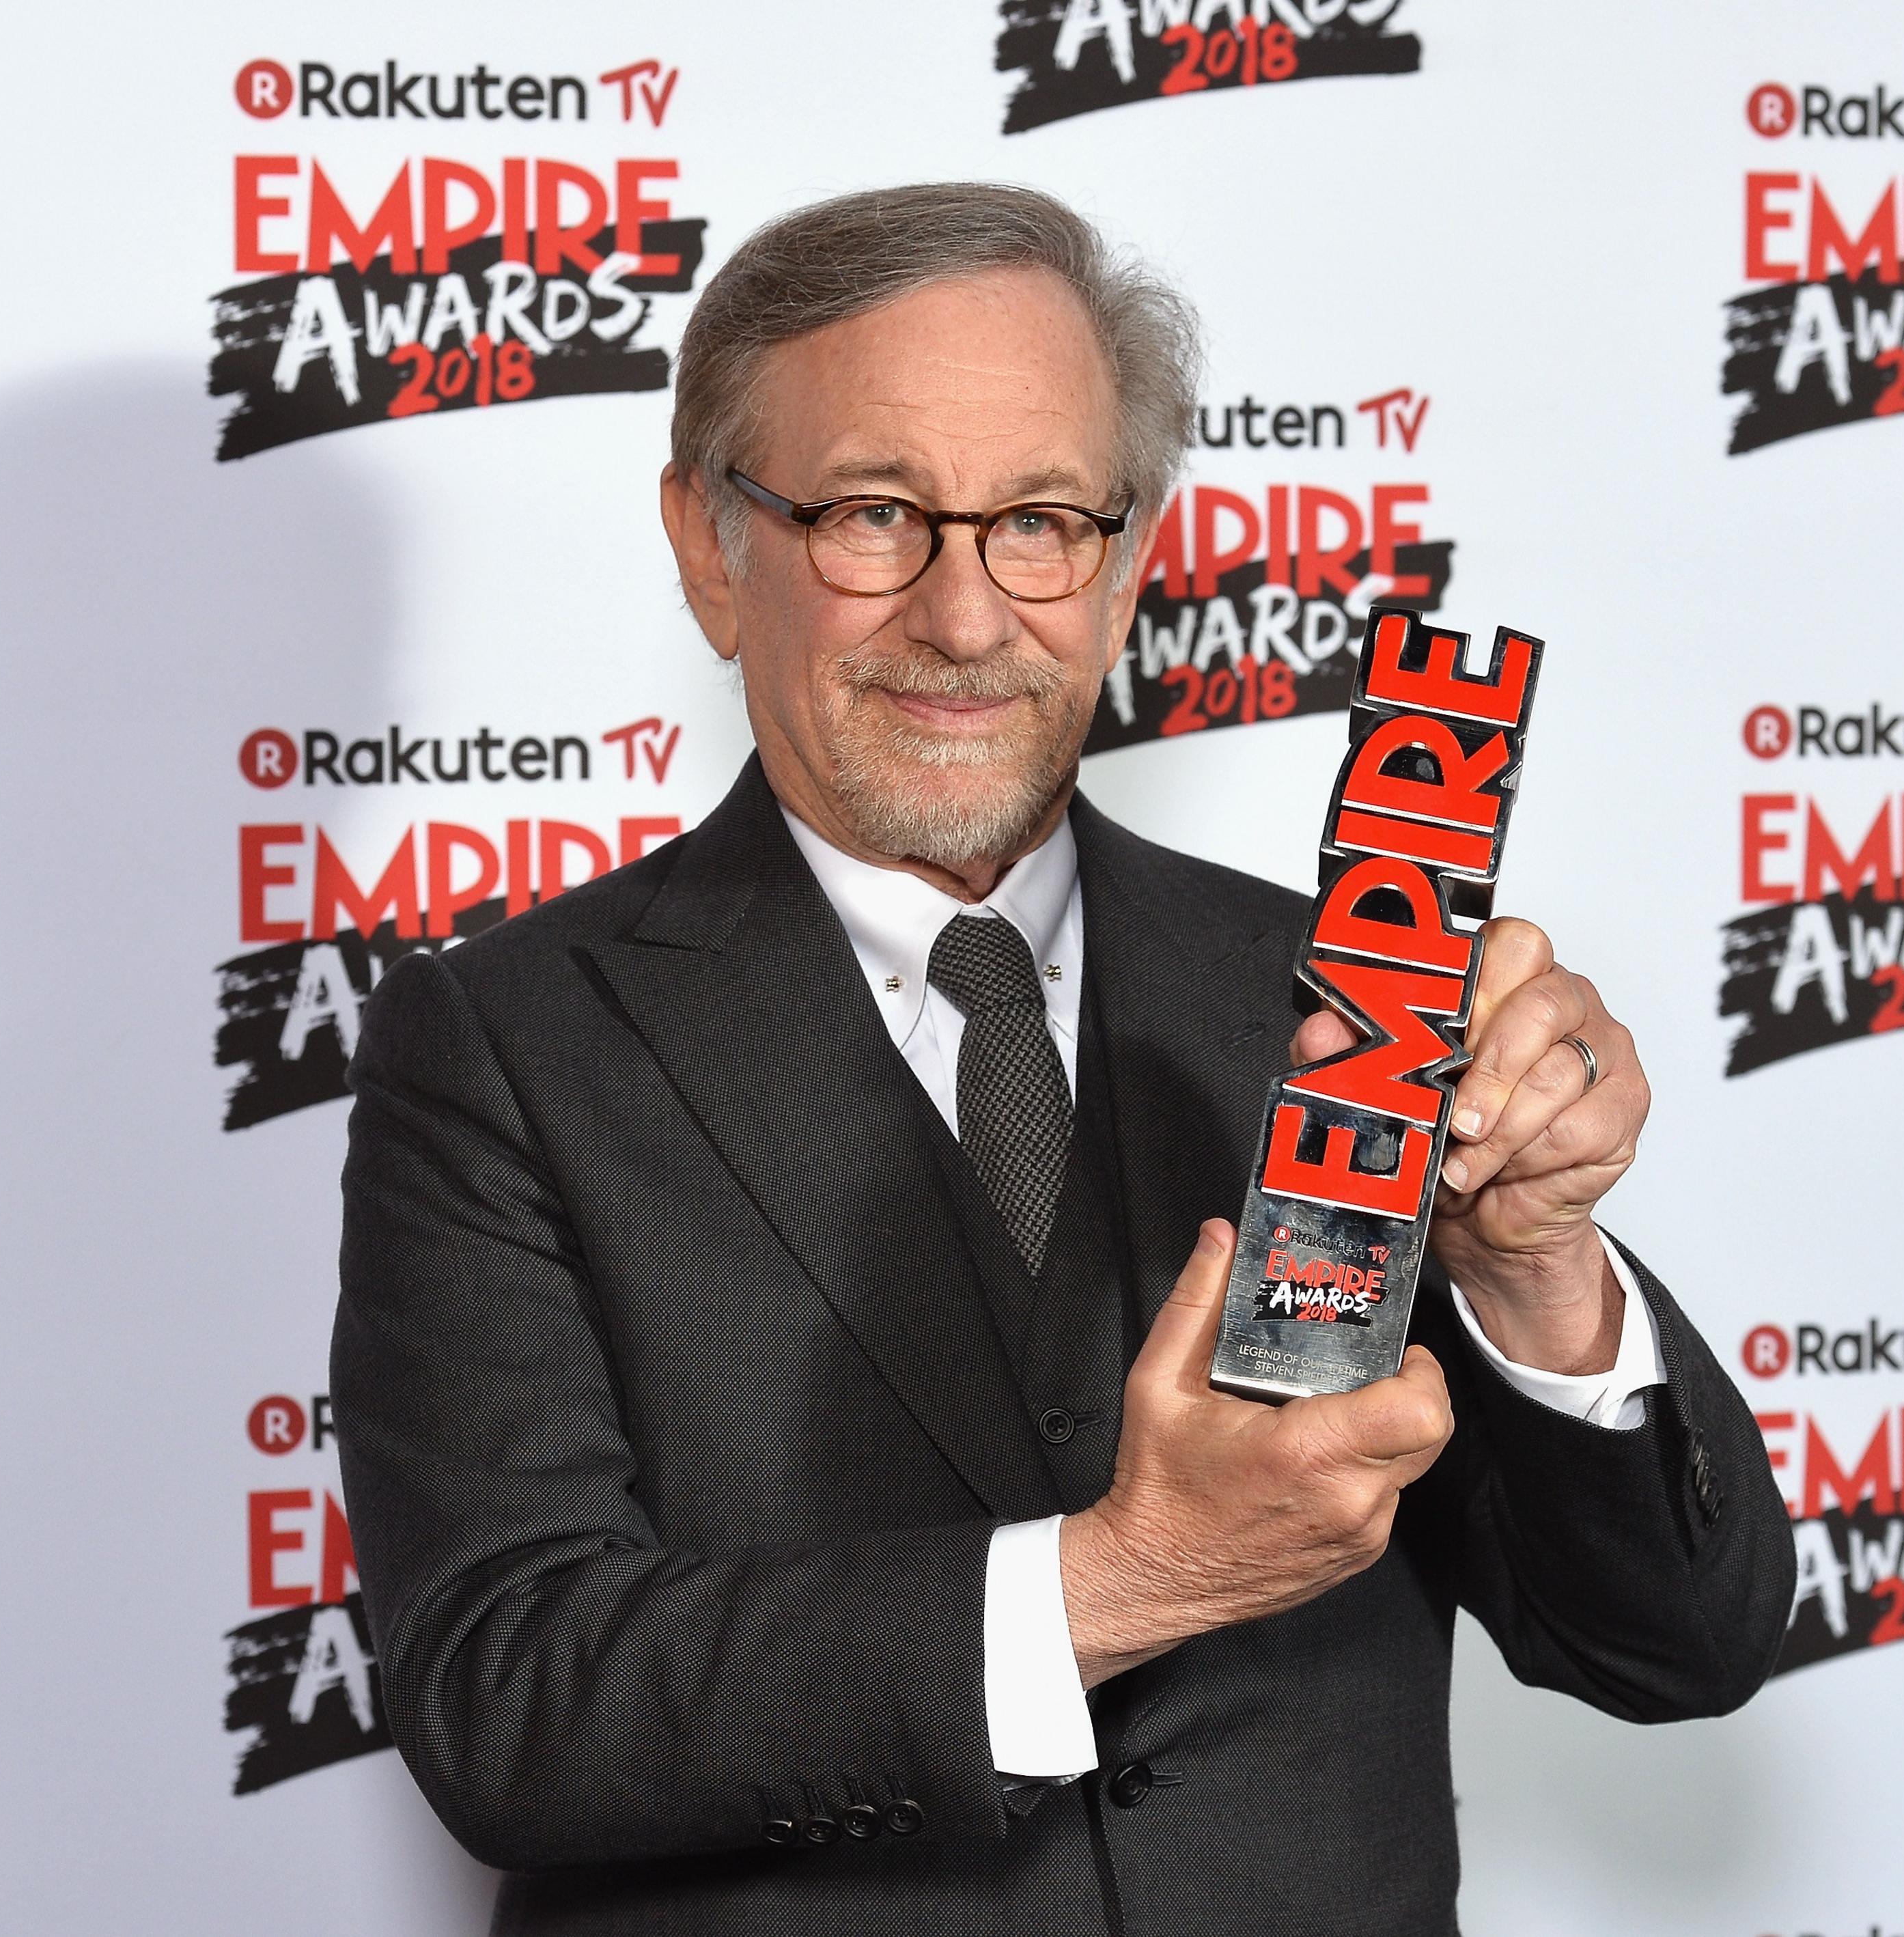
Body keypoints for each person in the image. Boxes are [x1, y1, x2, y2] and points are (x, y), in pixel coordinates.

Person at [333, 182, 1791, 1936]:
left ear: (1128, 565)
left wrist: (1534, 1271)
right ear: (712, 547)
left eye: (1038, 520)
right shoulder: (510, 1043)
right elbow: (515, 1702)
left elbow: (1679, 1641)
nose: (965, 619)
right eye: (874, 515)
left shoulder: (1332, 993)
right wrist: (1117, 1580)